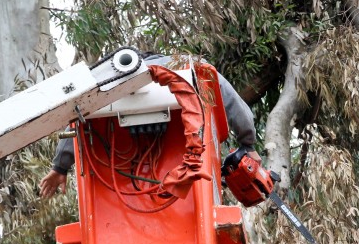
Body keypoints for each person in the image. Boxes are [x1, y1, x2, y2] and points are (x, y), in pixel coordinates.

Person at [40, 54, 261, 198]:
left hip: (121, 172)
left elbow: (78, 114)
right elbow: (223, 91)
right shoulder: (184, 65)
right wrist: (247, 143)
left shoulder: (105, 81)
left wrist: (60, 166)